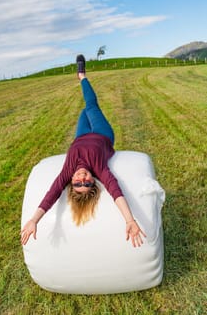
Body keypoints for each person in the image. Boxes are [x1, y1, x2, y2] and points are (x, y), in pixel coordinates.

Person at [21, 55, 146, 247]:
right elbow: (115, 192)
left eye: (78, 183)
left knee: (84, 111)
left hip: (81, 136)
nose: (82, 178)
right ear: (93, 181)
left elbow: (52, 194)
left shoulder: (67, 171)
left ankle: (83, 85)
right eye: (87, 183)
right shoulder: (99, 169)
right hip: (102, 134)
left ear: (71, 181)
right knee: (91, 106)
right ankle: (82, 75)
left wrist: (34, 220)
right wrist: (130, 220)